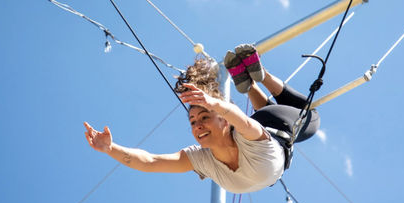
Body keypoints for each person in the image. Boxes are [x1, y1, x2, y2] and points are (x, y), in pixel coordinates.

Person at [84, 44, 319, 193]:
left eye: (204, 117)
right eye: (193, 122)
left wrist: (213, 102)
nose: (198, 126)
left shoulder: (244, 133)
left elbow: (243, 121)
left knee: (312, 117)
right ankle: (249, 82)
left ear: (223, 120)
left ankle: (261, 77)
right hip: (261, 127)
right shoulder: (202, 159)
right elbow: (151, 162)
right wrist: (110, 148)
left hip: (278, 123)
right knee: (293, 114)